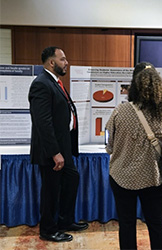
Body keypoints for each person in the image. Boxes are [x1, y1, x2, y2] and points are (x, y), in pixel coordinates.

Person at [105, 62, 162, 250]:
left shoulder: (121, 110)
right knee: (156, 222)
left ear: (134, 83)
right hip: (153, 177)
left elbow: (109, 146)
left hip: (122, 177)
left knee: (126, 224)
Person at [28, 46, 88, 242]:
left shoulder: (55, 83)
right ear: (52, 62)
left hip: (64, 147)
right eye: (63, 59)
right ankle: (47, 229)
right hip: (51, 150)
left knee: (71, 180)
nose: (67, 63)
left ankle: (65, 220)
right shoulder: (41, 84)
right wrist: (55, 152)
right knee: (51, 190)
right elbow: (42, 123)